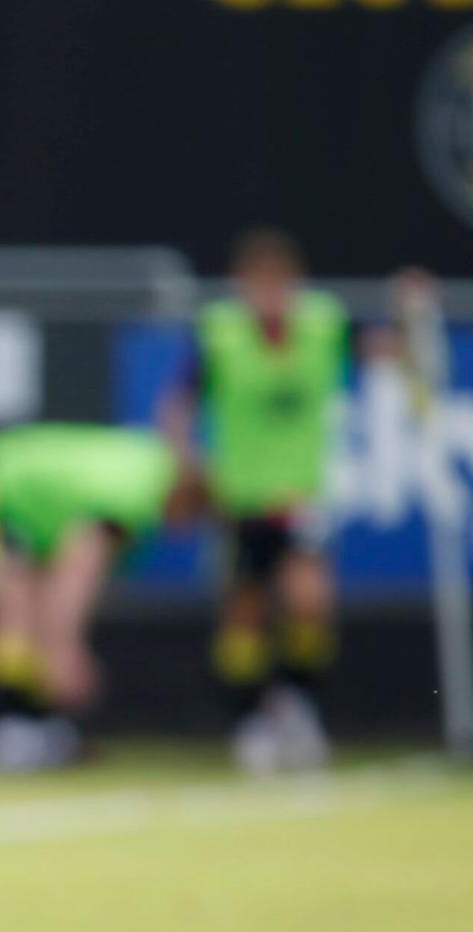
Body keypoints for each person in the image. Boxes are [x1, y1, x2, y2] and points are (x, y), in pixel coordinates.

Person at [159, 229, 351, 772]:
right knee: (243, 612)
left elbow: (380, 347)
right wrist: (187, 461)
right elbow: (178, 404)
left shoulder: (323, 324)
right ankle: (250, 723)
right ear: (241, 286)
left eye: (279, 285)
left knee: (309, 600)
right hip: (239, 500)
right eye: (258, 285)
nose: (269, 296)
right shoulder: (219, 334)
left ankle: (297, 707)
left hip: (300, 498)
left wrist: (411, 319)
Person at [0, 423, 199, 771]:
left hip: (22, 501)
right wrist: (67, 652)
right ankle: (11, 730)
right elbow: (75, 576)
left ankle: (36, 725)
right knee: (14, 610)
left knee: (31, 612)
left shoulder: (148, 463)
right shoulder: (136, 495)